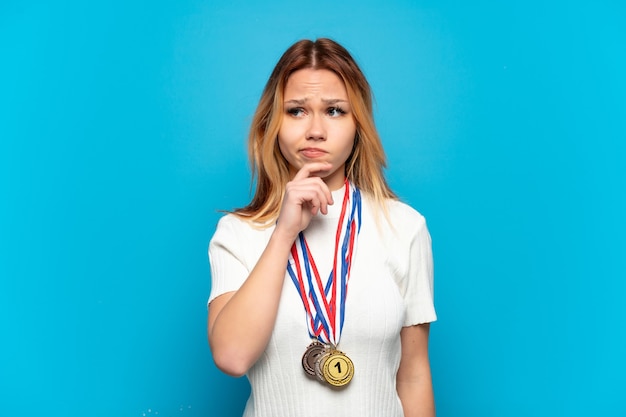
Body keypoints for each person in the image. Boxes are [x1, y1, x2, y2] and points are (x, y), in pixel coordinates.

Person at [207, 38, 436, 417]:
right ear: (273, 123)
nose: (315, 130)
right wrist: (283, 233)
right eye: (296, 111)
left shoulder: (405, 227)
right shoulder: (237, 233)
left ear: (358, 123)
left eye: (334, 110)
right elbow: (232, 357)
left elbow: (412, 376)